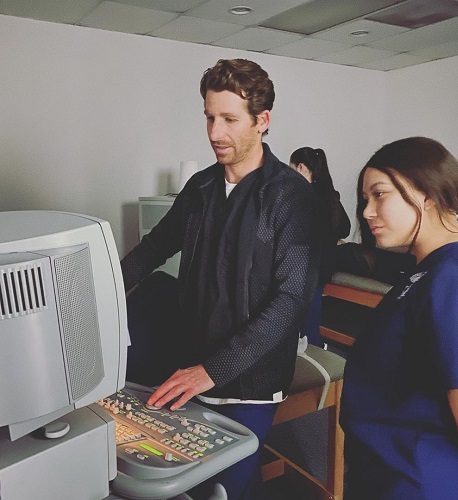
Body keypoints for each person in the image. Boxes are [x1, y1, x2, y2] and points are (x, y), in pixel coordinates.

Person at [120, 58, 320, 499]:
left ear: (262, 121)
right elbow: (154, 249)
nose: (215, 133)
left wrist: (213, 370)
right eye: (210, 117)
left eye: (229, 119)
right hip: (189, 363)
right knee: (186, 483)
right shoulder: (201, 187)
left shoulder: (291, 197)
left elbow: (289, 301)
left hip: (249, 382)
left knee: (227, 490)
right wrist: (101, 291)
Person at [340, 136, 458, 499]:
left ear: (427, 194)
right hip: (392, 474)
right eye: (366, 199)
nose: (366, 212)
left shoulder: (457, 278)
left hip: (425, 483)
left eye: (379, 194)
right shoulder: (429, 269)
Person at [289, 147, 350, 346]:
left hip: (306, 264)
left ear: (300, 167)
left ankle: (306, 350)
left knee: (299, 311)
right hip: (325, 265)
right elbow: (345, 228)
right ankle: (314, 346)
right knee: (312, 309)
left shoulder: (302, 195)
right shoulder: (331, 195)